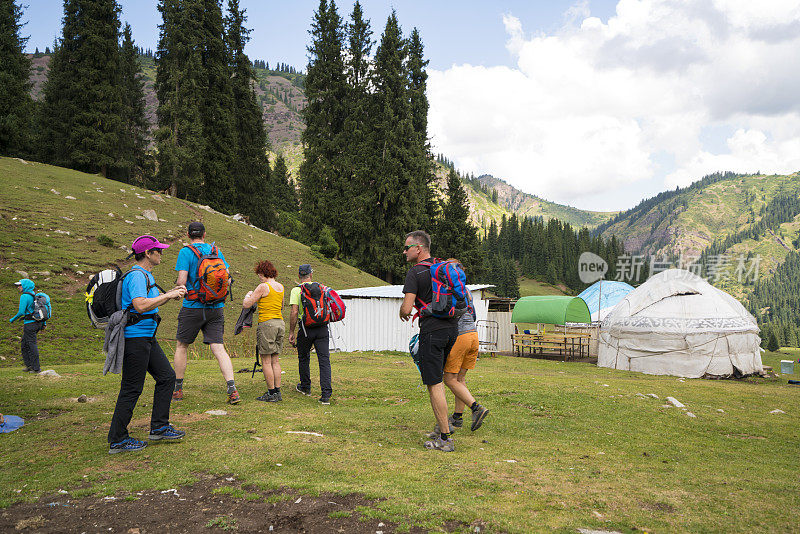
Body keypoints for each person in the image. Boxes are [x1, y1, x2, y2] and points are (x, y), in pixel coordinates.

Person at [108, 235, 187, 453]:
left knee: (167, 377)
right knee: (132, 388)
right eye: (158, 251)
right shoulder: (136, 276)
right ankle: (118, 439)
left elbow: (149, 301)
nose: (161, 254)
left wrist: (170, 294)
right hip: (135, 339)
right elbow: (140, 305)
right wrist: (168, 296)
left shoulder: (146, 275)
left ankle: (159, 427)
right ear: (147, 254)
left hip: (147, 337)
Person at [399, 230, 458, 452]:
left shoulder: (415, 272)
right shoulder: (443, 268)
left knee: (434, 384)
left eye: (407, 247)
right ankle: (441, 426)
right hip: (452, 329)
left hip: (432, 331)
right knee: (439, 380)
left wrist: (402, 312)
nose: (404, 251)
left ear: (419, 248)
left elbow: (407, 307)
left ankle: (444, 438)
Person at [172, 221, 240, 404]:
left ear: (188, 235)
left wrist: (177, 290)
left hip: (193, 307)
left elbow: (182, 280)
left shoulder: (186, 252)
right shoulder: (216, 251)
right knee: (218, 348)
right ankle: (232, 389)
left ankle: (177, 389)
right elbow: (227, 277)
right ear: (204, 234)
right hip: (216, 308)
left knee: (182, 346)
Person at [437, 260, 489, 435]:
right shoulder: (465, 290)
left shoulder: (448, 289)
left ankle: (476, 408)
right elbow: (472, 313)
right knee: (460, 379)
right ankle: (457, 417)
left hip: (460, 336)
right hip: (473, 335)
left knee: (449, 379)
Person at [288, 264, 332, 404]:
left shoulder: (296, 291)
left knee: (304, 357)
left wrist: (291, 332)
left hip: (306, 329)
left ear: (299, 276)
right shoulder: (321, 288)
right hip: (322, 327)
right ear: (311, 275)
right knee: (324, 360)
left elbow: (294, 312)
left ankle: (305, 387)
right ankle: (325, 395)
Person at [242, 260, 285, 402]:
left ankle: (271, 393)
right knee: (275, 360)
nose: (259, 277)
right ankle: (277, 391)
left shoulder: (263, 286)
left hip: (267, 324)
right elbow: (282, 306)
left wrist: (247, 296)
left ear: (263, 273)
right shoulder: (280, 287)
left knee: (266, 361)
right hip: (280, 323)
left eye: (259, 274)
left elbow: (247, 304)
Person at [9, 278, 44, 373]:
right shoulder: (35, 295)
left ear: (25, 286)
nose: (18, 287)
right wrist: (43, 323)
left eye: (20, 285)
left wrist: (12, 319)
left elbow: (21, 312)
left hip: (30, 324)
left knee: (31, 345)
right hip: (37, 323)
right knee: (24, 344)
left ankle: (36, 369)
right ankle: (29, 366)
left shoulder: (24, 296)